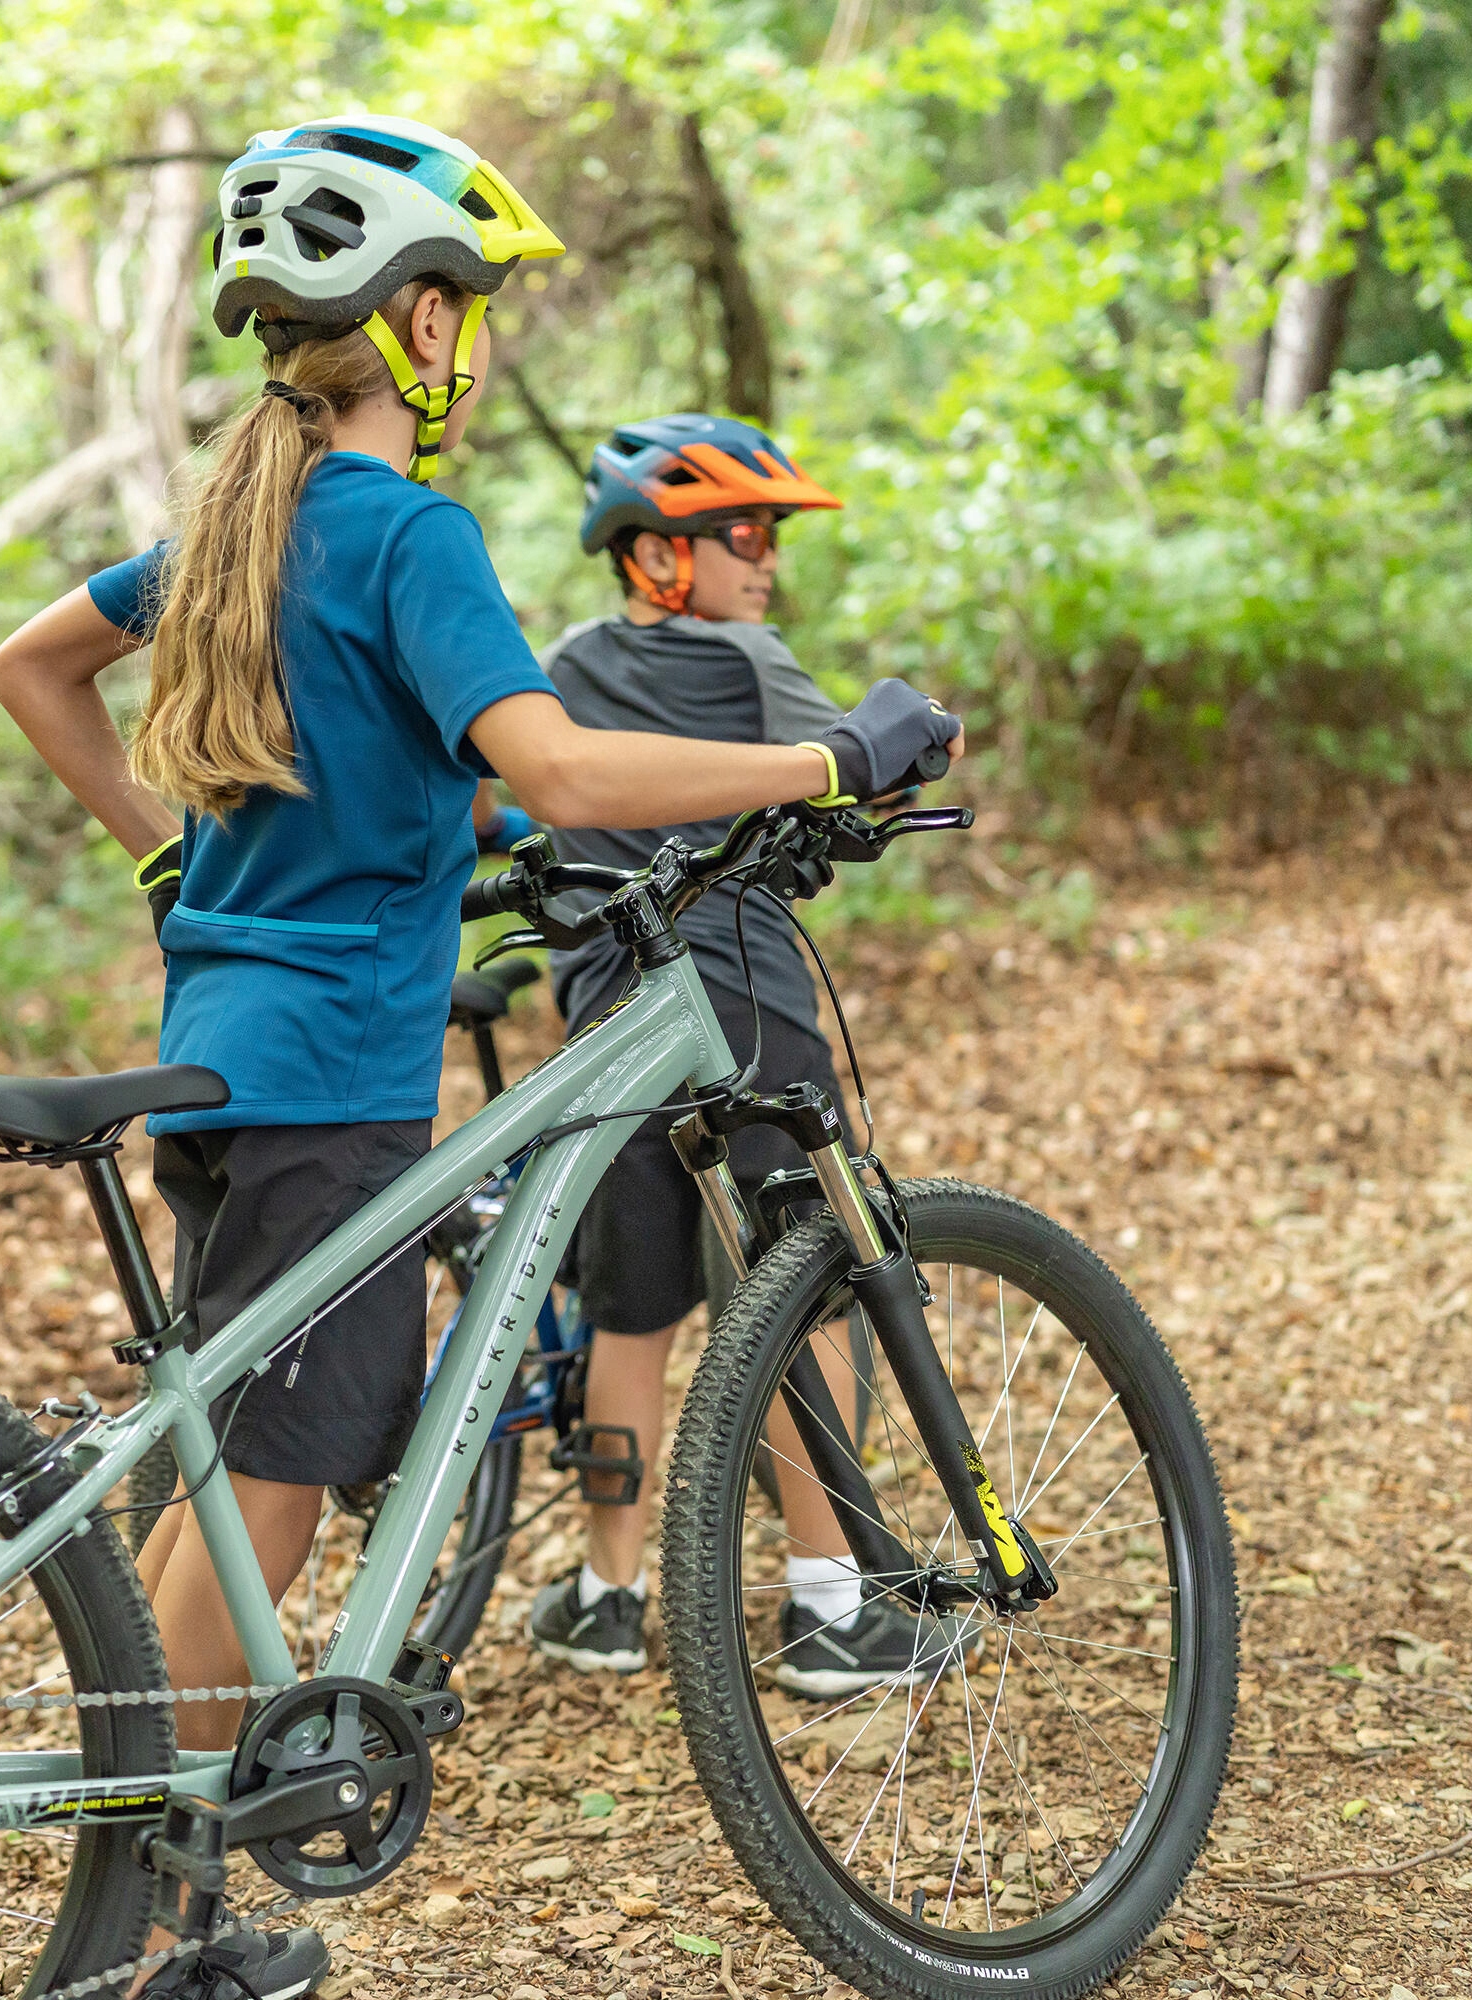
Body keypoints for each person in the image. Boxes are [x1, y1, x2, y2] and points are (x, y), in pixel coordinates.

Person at [0, 115, 960, 1998]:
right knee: (272, 1477)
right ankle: (150, 1918)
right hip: (335, 1069)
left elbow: (38, 669)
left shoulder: (234, 523)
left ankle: (167, 1881)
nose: (488, 340)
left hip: (225, 1041)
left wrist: (166, 854)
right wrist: (829, 764)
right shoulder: (404, 527)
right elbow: (568, 764)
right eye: (480, 308)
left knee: (242, 1463)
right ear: (419, 325)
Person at [528, 415, 963, 1693]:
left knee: (630, 1308)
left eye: (767, 536)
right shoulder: (749, 663)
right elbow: (851, 775)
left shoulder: (554, 670)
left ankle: (608, 1597)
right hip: (748, 1012)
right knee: (801, 1293)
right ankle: (827, 1604)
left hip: (610, 1031)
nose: (762, 558)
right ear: (657, 554)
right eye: (737, 532)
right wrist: (919, 736)